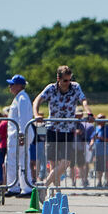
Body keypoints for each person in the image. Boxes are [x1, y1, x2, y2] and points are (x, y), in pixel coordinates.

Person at [33, 65, 94, 197]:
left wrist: (88, 111)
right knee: (54, 163)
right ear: (58, 79)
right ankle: (55, 193)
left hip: (67, 130)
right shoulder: (51, 88)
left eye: (69, 80)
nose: (68, 83)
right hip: (52, 129)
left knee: (66, 162)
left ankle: (44, 186)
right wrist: (36, 113)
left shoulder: (75, 87)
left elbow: (83, 100)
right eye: (65, 80)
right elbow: (37, 100)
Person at [4, 74, 34, 197]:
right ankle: (14, 186)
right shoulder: (19, 97)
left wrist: (22, 134)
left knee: (21, 160)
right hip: (15, 135)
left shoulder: (22, 98)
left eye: (12, 84)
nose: (10, 86)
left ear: (19, 86)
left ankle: (25, 187)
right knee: (12, 160)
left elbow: (23, 118)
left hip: (19, 134)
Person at [90, 114, 108, 187]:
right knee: (98, 168)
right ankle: (99, 181)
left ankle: (107, 182)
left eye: (99, 119)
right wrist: (91, 144)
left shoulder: (107, 129)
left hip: (105, 152)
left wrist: (100, 138)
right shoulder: (96, 128)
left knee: (106, 168)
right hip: (97, 152)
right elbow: (93, 137)